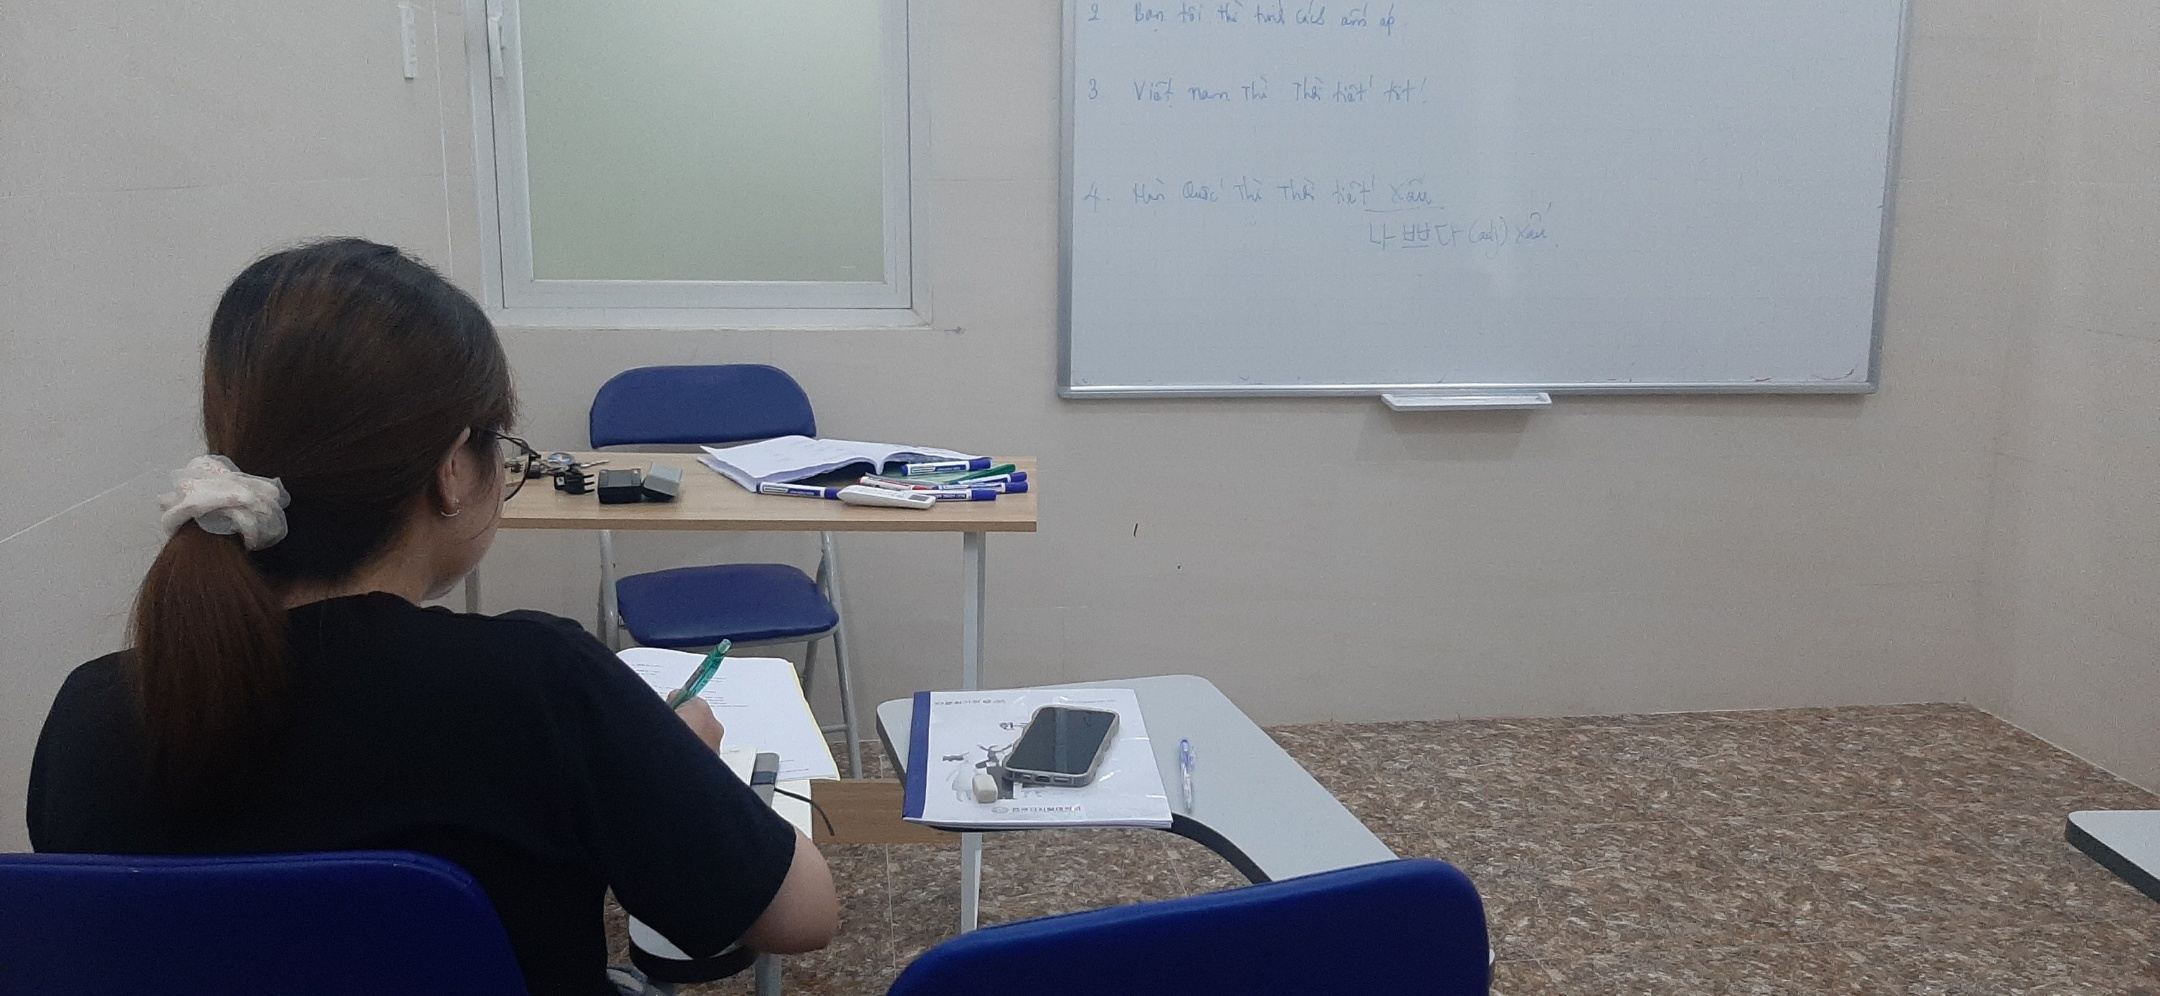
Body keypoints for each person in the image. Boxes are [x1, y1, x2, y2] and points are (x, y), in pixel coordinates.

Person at [25, 238, 837, 996]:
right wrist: (675, 766)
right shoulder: (536, 686)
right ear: (453, 469)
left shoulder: (88, 718)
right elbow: (801, 916)